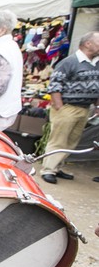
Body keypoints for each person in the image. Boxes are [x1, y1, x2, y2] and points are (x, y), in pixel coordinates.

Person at [39, 31, 99, 183]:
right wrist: (60, 107)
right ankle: (48, 170)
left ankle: (57, 167)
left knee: (72, 141)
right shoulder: (70, 62)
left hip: (84, 108)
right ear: (88, 44)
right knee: (58, 140)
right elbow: (54, 85)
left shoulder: (96, 63)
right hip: (68, 107)